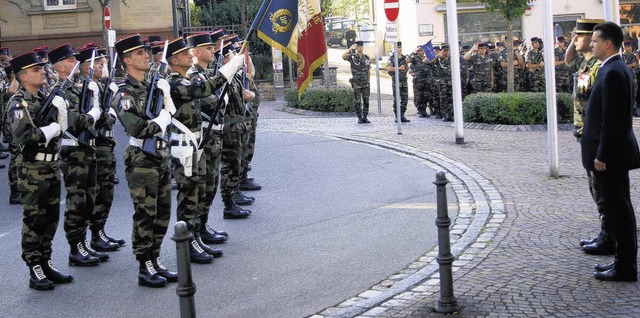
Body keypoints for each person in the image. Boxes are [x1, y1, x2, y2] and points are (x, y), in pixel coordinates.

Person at [112, 34, 177, 288]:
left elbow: (169, 117)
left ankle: (155, 258)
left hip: (161, 156)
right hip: (141, 159)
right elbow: (136, 126)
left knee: (162, 213)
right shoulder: (124, 93)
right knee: (145, 214)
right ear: (127, 60)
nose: (146, 56)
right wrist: (160, 121)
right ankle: (144, 265)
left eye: (145, 52)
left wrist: (167, 101)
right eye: (139, 53)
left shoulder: (153, 85)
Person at [8, 52, 73, 290]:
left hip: (51, 166)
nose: (42, 72)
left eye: (41, 68)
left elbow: (67, 127)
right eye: (36, 70)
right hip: (33, 169)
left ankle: (46, 261)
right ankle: (34, 266)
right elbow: (24, 136)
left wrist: (62, 115)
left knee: (50, 218)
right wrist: (52, 128)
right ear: (23, 76)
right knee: (34, 219)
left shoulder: (46, 97)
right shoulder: (18, 103)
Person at [583, 21, 640, 282]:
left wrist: (602, 156)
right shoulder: (613, 68)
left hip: (612, 156)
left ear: (608, 43)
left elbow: (613, 121)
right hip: (613, 154)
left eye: (594, 40)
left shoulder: (615, 71)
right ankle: (621, 260)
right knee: (619, 209)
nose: (590, 44)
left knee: (620, 211)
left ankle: (625, 266)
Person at [49, 44, 107, 267]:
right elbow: (75, 122)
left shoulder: (78, 87)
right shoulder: (58, 91)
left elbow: (99, 118)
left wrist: (95, 109)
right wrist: (92, 113)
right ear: (60, 66)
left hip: (87, 149)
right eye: (72, 61)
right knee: (77, 201)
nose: (77, 64)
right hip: (73, 151)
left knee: (89, 198)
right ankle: (75, 247)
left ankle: (84, 243)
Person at [565, 19, 612, 255]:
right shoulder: (584, 63)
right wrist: (575, 40)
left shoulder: (597, 65)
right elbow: (568, 60)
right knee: (595, 187)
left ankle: (609, 235)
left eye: (581, 36)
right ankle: (607, 232)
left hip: (594, 135)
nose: (576, 40)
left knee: (602, 189)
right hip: (585, 134)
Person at [84, 45, 125, 252]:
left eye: (103, 62)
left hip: (107, 146)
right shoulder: (86, 90)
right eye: (98, 63)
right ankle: (93, 235)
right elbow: (98, 118)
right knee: (96, 193)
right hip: (95, 147)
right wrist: (109, 113)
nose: (103, 65)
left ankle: (100, 231)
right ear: (86, 68)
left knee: (106, 192)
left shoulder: (102, 86)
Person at [342, 40, 371, 123]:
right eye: (358, 46)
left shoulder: (366, 57)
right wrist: (350, 48)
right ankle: (359, 117)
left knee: (366, 100)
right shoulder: (352, 57)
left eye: (362, 46)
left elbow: (368, 71)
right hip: (356, 83)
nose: (360, 48)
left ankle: (365, 117)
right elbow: (343, 56)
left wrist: (368, 81)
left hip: (365, 82)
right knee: (357, 101)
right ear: (356, 47)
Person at [387, 41, 410, 122]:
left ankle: (402, 114)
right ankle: (397, 115)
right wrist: (399, 68)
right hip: (396, 81)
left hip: (404, 80)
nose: (399, 49)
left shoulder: (404, 57)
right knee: (396, 99)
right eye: (398, 48)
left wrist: (407, 63)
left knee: (405, 99)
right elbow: (389, 68)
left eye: (400, 48)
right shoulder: (392, 58)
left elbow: (406, 69)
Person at [409, 45, 431, 118]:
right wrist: (414, 51)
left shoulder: (427, 58)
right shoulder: (414, 58)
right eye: (421, 50)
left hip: (427, 80)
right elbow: (408, 58)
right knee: (419, 96)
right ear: (418, 51)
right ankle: (420, 110)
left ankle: (424, 110)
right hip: (418, 81)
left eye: (423, 50)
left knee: (426, 96)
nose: (423, 52)